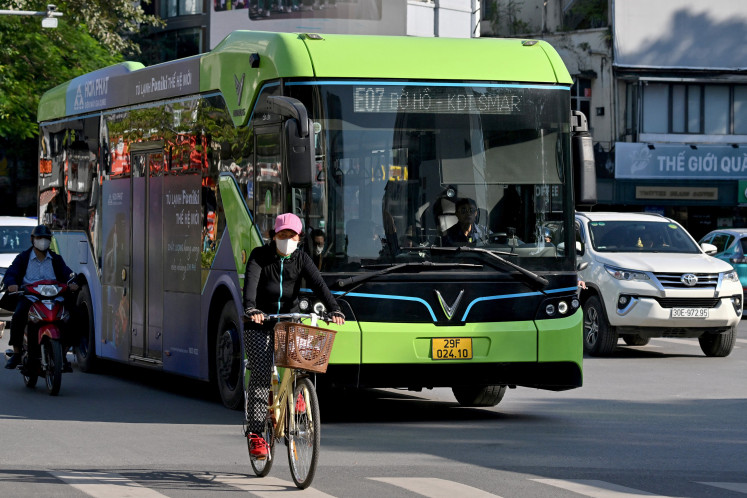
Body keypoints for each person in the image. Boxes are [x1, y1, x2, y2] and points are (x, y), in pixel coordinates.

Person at [242, 213, 344, 459]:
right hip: (260, 323)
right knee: (262, 375)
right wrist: (251, 309)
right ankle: (256, 435)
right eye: (282, 235)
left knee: (303, 359)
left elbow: (319, 285)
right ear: (273, 236)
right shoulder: (259, 256)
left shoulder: (301, 259)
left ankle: (298, 394)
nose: (287, 240)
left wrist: (334, 309)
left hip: (289, 319)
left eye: (292, 236)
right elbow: (250, 288)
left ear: (299, 238)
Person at [3, 225, 79, 371]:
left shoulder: (56, 259)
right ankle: (17, 353)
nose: (42, 241)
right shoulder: (23, 258)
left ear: (50, 241)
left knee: (74, 315)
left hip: (55, 297)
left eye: (46, 238)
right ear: (33, 240)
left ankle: (63, 353)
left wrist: (73, 283)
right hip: (30, 297)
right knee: (18, 315)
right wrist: (12, 284)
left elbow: (68, 273)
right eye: (39, 238)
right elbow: (12, 272)